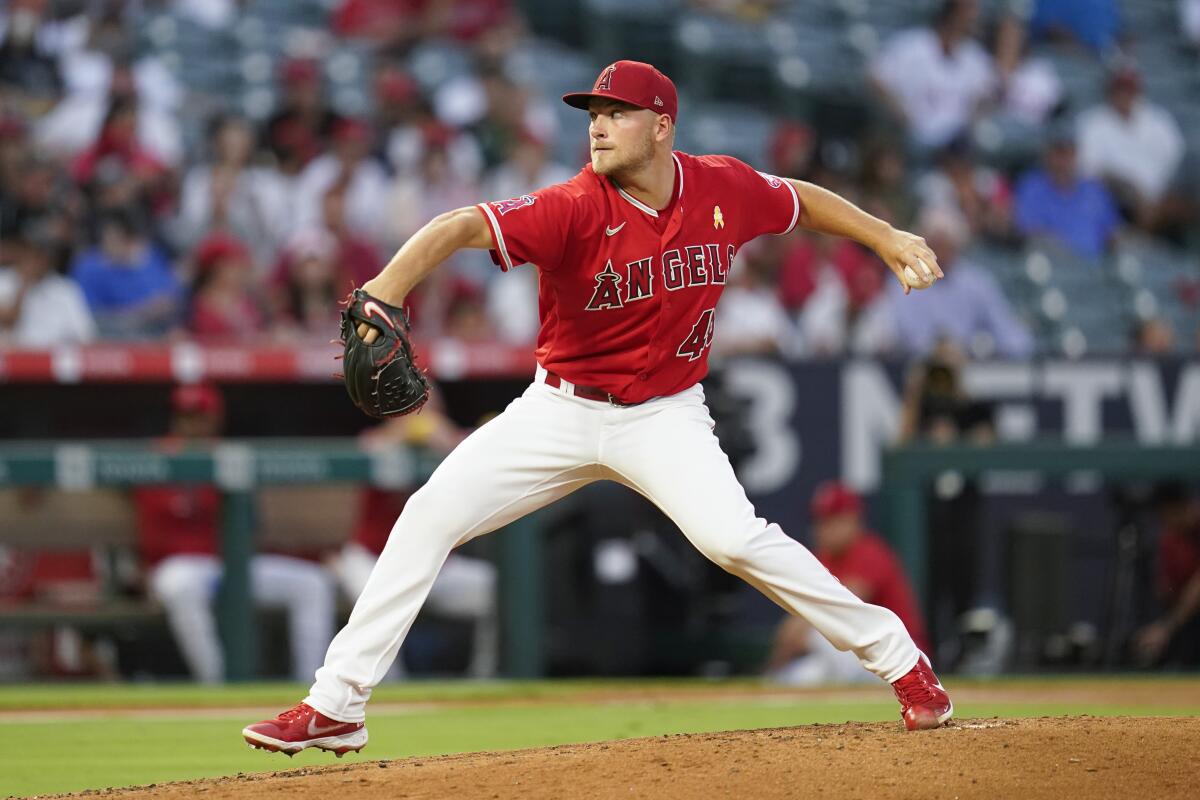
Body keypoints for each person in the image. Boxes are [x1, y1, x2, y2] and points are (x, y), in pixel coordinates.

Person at [243, 59, 954, 756]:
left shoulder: (721, 188)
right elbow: (462, 224)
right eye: (593, 114)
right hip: (559, 411)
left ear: (661, 127)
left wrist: (885, 236)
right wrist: (385, 289)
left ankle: (901, 661)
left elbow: (799, 199)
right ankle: (337, 706)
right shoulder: (574, 206)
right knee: (429, 514)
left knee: (733, 540)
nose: (599, 127)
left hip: (665, 415)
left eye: (617, 113)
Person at [134, 384, 336, 683]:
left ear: (215, 419)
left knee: (313, 583)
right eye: (186, 416)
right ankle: (218, 685)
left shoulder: (230, 459)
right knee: (181, 587)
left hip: (230, 564)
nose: (193, 424)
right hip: (179, 567)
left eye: (200, 416)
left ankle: (313, 689)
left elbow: (251, 526)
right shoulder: (156, 458)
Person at [329, 403, 499, 679]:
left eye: (430, 406)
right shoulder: (376, 441)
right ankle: (384, 684)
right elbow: (372, 448)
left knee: (491, 588)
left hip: (436, 563)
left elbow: (480, 455)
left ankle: (485, 677)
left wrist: (444, 441)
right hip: (372, 558)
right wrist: (403, 434)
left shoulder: (449, 443)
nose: (422, 414)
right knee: (374, 601)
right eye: (414, 406)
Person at [765, 482, 929, 686]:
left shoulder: (870, 552)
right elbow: (793, 628)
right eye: (821, 522)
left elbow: (843, 606)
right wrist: (776, 664)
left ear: (854, 520)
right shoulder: (823, 558)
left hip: (900, 654)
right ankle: (771, 680)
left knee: (817, 634)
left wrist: (797, 632)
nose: (824, 529)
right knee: (801, 676)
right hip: (855, 659)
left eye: (834, 521)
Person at [1014, 126, 1121, 259]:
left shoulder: (1094, 189)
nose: (1063, 161)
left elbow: (1113, 232)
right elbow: (1030, 234)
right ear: (1046, 155)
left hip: (1097, 271)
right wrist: (1072, 256)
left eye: (1069, 153)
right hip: (1054, 269)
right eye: (1058, 153)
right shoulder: (1031, 186)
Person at [1134, 483, 1200, 668]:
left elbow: (1196, 590)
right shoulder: (1170, 541)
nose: (1165, 522)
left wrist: (1166, 628)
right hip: (1184, 621)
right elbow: (1165, 591)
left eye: (1166, 515)